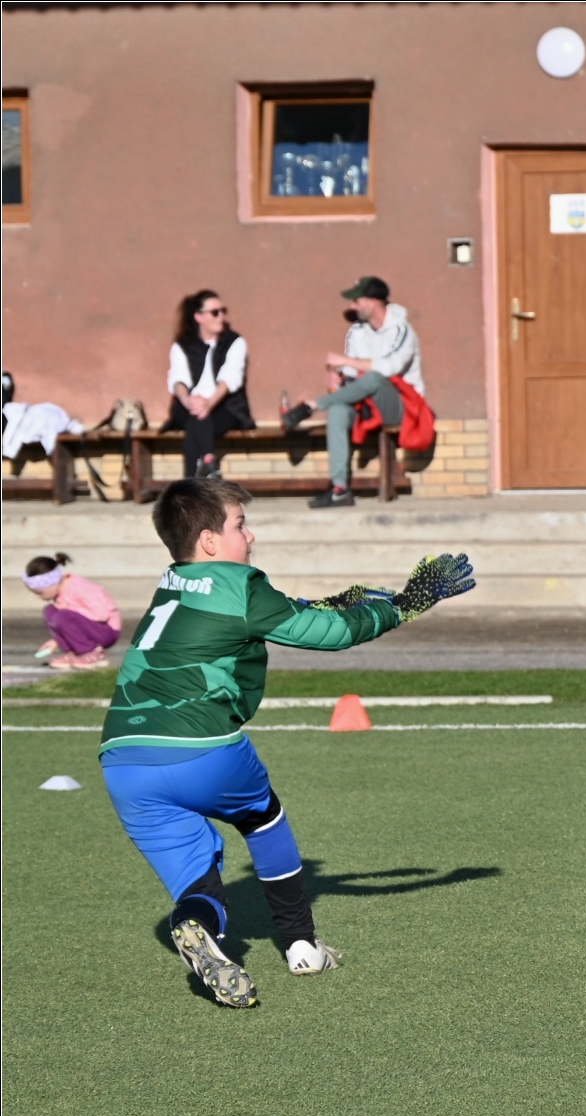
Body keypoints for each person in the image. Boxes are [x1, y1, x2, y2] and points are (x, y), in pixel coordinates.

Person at [99, 477, 474, 1007]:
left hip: (122, 762)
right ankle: (302, 945)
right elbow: (331, 634)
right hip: (202, 748)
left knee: (197, 889)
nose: (250, 536)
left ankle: (196, 926)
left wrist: (330, 602)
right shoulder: (240, 584)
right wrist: (405, 604)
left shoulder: (173, 584)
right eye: (240, 525)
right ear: (209, 540)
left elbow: (270, 616)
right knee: (262, 818)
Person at [283, 275, 424, 509]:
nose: (352, 306)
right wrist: (339, 378)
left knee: (374, 377)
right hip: (365, 405)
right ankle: (340, 489)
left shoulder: (402, 329)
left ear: (373, 302)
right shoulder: (357, 331)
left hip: (399, 406)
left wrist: (347, 362)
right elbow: (350, 372)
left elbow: (390, 367)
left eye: (356, 301)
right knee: (338, 410)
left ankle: (314, 405)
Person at [166, 289, 254, 478]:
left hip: (224, 406)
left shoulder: (235, 342)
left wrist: (208, 403)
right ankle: (208, 463)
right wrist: (188, 401)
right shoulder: (182, 345)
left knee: (196, 423)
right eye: (215, 312)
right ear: (198, 317)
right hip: (190, 406)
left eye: (223, 311)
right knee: (196, 418)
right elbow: (178, 378)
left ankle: (193, 483)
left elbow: (230, 377)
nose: (221, 316)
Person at [23, 551, 121, 670]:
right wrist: (57, 641)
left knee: (62, 616)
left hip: (106, 631)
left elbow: (102, 615)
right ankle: (74, 652)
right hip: (91, 629)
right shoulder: (60, 595)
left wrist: (69, 608)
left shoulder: (80, 588)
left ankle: (93, 653)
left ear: (53, 584)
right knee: (50, 611)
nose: (37, 597)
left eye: (40, 593)